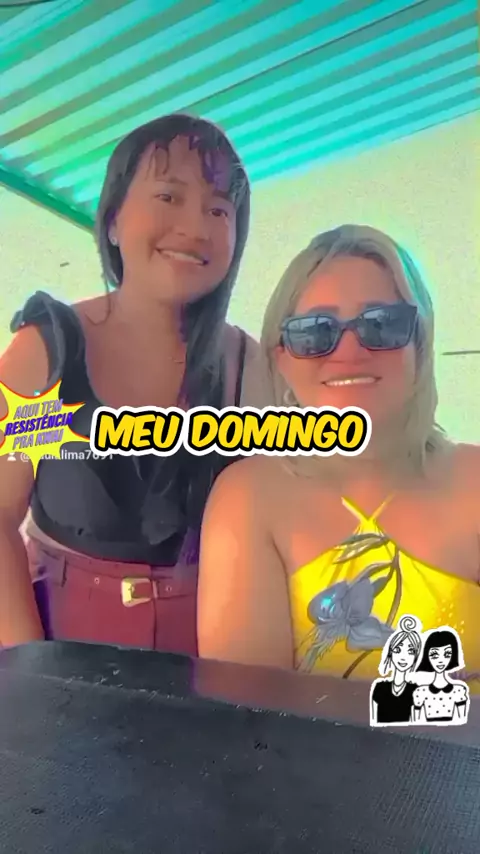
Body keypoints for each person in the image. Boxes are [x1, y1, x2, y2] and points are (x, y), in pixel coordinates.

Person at [0, 113, 263, 653]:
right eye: (169, 196)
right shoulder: (48, 355)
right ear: (113, 221)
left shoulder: (249, 365)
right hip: (58, 666)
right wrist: (27, 672)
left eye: (219, 209)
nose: (195, 226)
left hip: (211, 668)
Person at [197, 224, 480, 695]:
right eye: (315, 332)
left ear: (420, 342)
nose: (349, 351)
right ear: (282, 357)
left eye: (381, 324)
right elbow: (249, 717)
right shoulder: (249, 497)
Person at [370, 615, 422, 725]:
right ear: (390, 653)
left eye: (410, 651)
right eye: (398, 649)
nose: (403, 656)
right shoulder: (380, 688)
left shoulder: (417, 691)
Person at [412, 629, 470, 724]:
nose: (440, 660)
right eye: (435, 655)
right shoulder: (420, 692)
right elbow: (415, 724)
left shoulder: (458, 691)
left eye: (447, 654)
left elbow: (462, 722)